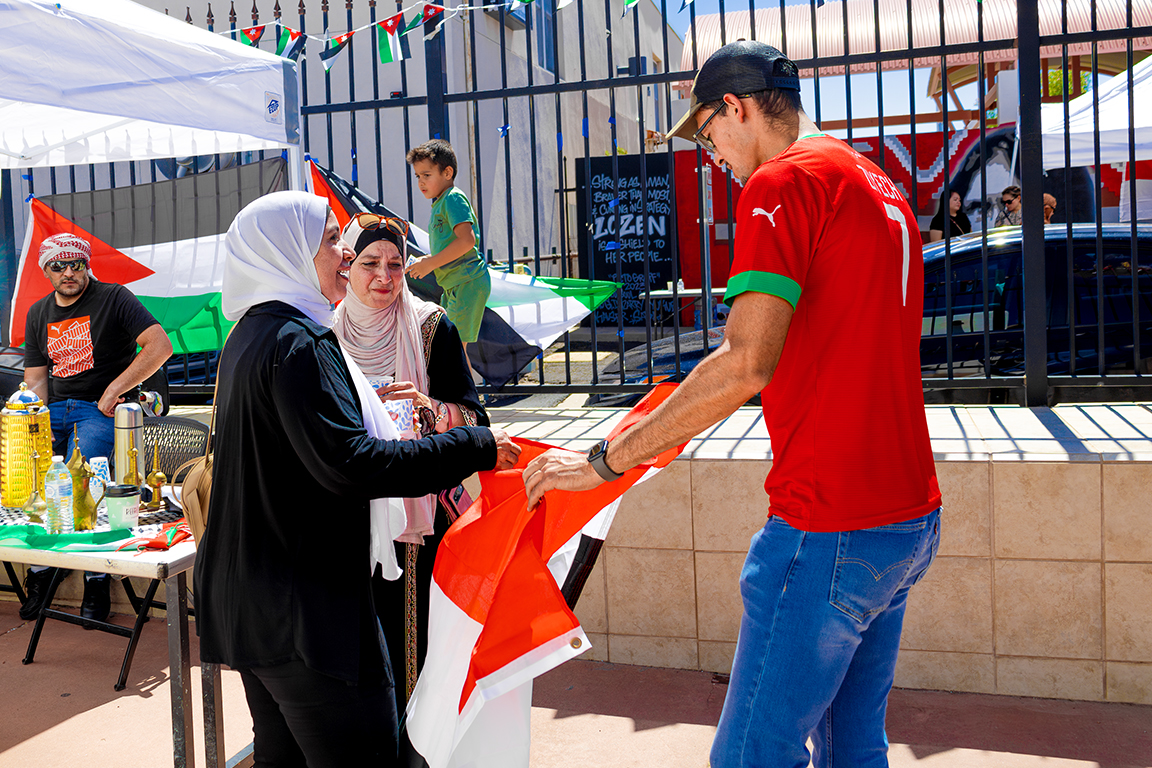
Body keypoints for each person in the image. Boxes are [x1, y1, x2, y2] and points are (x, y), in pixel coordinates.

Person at [522, 41, 941, 768]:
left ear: (737, 108)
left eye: (708, 131)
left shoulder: (782, 184)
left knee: (751, 755)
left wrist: (603, 462)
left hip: (829, 523)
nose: (711, 151)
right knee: (854, 747)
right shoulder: (877, 180)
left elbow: (746, 361)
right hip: (907, 517)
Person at [192, 191, 519, 768]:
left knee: (283, 757)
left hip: (251, 598)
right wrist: (476, 445)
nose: (342, 256)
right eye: (328, 244)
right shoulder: (303, 342)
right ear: (287, 252)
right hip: (306, 611)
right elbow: (353, 464)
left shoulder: (249, 336)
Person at [333, 212, 487, 712]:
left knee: (411, 643)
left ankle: (414, 745)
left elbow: (475, 418)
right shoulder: (324, 333)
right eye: (370, 263)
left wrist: (429, 407)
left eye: (396, 264)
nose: (385, 277)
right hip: (351, 508)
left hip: (418, 514)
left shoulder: (429, 327)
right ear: (347, 267)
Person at [21, 233, 173, 623]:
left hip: (98, 410)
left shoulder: (114, 297)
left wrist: (114, 390)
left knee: (85, 476)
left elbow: (159, 345)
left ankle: (96, 577)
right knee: (32, 475)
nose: (69, 272)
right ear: (46, 270)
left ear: (87, 265)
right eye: (59, 265)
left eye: (77, 264)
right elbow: (37, 378)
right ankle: (39, 571)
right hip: (54, 410)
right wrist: (28, 417)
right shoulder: (38, 313)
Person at [404, 140, 490, 359]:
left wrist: (431, 263)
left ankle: (463, 394)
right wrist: (428, 261)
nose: (421, 182)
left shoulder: (452, 199)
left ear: (447, 172)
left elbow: (467, 242)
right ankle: (459, 394)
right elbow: (454, 247)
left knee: (455, 351)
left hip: (466, 282)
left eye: (427, 175)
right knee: (453, 349)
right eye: (418, 177)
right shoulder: (441, 202)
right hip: (455, 284)